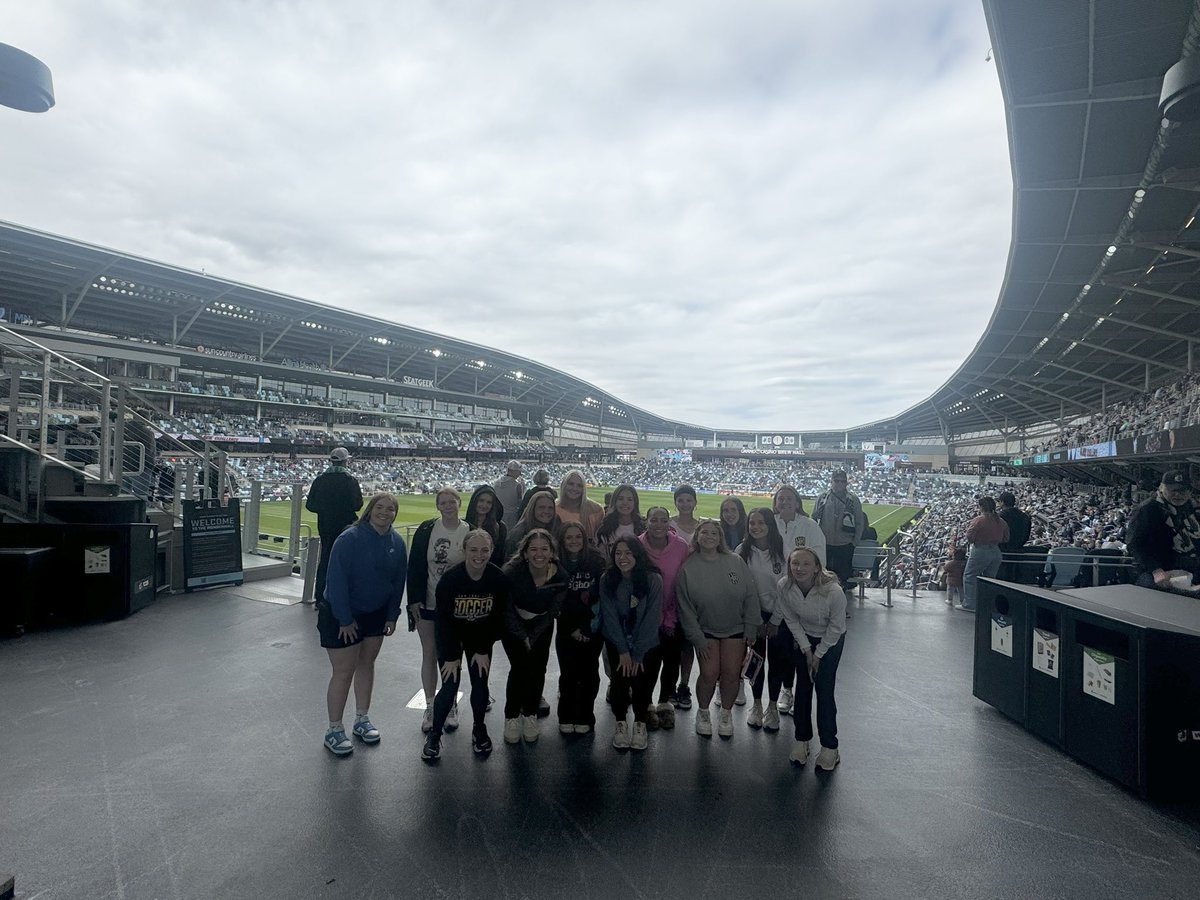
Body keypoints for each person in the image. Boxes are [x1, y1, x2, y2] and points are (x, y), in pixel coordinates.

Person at [319, 492, 407, 756]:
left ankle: (362, 719)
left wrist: (392, 615)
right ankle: (334, 729)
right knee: (344, 672)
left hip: (376, 614)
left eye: (390, 509)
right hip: (341, 614)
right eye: (380, 507)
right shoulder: (349, 539)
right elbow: (335, 582)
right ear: (369, 510)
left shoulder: (397, 542)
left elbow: (398, 581)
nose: (384, 512)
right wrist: (345, 620)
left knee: (367, 664)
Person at [422, 530, 510, 760]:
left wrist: (482, 648)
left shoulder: (498, 579)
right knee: (450, 684)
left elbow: (499, 619)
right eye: (473, 550)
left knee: (480, 682)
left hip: (481, 636)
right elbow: (443, 622)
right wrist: (451, 655)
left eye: (484, 550)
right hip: (452, 635)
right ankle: (434, 733)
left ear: (491, 551)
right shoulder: (450, 580)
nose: (479, 555)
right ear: (464, 551)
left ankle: (479, 727)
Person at [676, 520, 760, 738]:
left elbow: (750, 595)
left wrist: (751, 626)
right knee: (709, 674)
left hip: (735, 628)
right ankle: (703, 712)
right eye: (705, 532)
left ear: (720, 537)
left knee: (732, 675)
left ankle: (726, 713)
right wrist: (697, 638)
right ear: (697, 536)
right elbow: (685, 607)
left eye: (714, 532)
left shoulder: (735, 561)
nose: (709, 536)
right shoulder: (688, 567)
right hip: (706, 631)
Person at [772, 546, 846, 771]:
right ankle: (802, 740)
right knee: (803, 689)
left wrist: (818, 655)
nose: (799, 568)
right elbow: (791, 619)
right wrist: (806, 650)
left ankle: (829, 747)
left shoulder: (833, 592)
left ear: (816, 568)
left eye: (806, 564)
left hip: (830, 640)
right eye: (795, 563)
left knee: (823, 691)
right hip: (804, 637)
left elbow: (836, 627)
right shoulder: (784, 585)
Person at [406, 488, 473, 732]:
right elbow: (415, 564)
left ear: (459, 503)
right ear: (438, 506)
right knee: (429, 653)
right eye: (443, 502)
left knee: (452, 656)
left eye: (451, 501)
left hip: (457, 607)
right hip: (428, 602)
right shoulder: (427, 529)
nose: (447, 506)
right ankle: (431, 705)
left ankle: (450, 703)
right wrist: (414, 599)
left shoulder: (469, 530)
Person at [501, 529, 566, 744]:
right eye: (534, 549)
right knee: (520, 668)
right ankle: (511, 716)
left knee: (538, 668)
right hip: (513, 625)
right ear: (525, 553)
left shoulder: (560, 576)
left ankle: (529, 714)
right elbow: (506, 609)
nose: (539, 554)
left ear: (552, 553)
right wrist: (522, 635)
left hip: (541, 625)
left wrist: (534, 634)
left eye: (544, 549)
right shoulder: (511, 573)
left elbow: (552, 612)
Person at [599, 537, 663, 751]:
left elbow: (652, 618)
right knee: (619, 682)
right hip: (618, 644)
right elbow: (609, 616)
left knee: (642, 685)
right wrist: (623, 650)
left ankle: (639, 724)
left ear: (638, 555)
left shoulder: (653, 579)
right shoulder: (607, 579)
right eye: (618, 553)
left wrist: (638, 653)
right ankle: (620, 724)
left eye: (628, 553)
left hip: (647, 645)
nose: (623, 558)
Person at [736, 508, 789, 731]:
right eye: (751, 523)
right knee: (756, 662)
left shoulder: (784, 550)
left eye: (760, 522)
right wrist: (755, 619)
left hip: (781, 615)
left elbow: (787, 589)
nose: (755, 527)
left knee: (777, 661)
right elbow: (741, 588)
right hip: (753, 616)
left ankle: (773, 707)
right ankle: (756, 705)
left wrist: (775, 620)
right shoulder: (742, 550)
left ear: (770, 524)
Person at [639, 506, 690, 729]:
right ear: (646, 522)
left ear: (669, 523)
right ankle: (647, 705)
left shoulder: (681, 546)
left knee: (671, 662)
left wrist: (672, 615)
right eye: (653, 520)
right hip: (646, 617)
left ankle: (664, 704)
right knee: (648, 663)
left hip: (674, 615)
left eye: (663, 520)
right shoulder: (637, 545)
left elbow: (685, 580)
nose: (658, 524)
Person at [555, 521, 607, 734]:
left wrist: (586, 628)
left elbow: (600, 598)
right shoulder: (556, 564)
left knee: (588, 672)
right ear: (562, 541)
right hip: (566, 628)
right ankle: (566, 715)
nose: (574, 541)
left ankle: (586, 714)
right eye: (569, 537)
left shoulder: (596, 561)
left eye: (578, 537)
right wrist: (572, 629)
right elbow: (558, 601)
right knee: (568, 672)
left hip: (592, 628)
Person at [305, 447, 363, 605]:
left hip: (325, 526)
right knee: (347, 562)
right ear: (345, 461)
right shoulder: (350, 480)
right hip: (346, 527)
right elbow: (358, 505)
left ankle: (320, 598)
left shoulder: (320, 480)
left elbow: (310, 505)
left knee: (325, 561)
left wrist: (325, 509)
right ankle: (344, 598)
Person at [1127, 471, 1200, 591]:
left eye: (1182, 491)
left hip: (1189, 567)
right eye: (1173, 490)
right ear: (1162, 488)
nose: (1178, 495)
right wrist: (1156, 570)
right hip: (1155, 571)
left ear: (1190, 492)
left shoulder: (1189, 507)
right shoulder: (1147, 510)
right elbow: (1134, 544)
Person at [812, 470, 865, 605]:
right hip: (826, 543)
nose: (840, 484)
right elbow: (813, 518)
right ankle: (824, 604)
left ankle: (841, 606)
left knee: (843, 577)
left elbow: (860, 522)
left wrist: (854, 542)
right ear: (831, 482)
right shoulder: (822, 498)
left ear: (846, 483)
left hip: (845, 544)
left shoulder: (853, 500)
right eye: (837, 481)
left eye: (843, 481)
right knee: (824, 575)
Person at [960, 496, 1009, 612]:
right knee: (989, 579)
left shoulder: (979, 520)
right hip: (996, 552)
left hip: (980, 550)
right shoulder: (1001, 521)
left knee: (970, 576)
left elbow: (970, 537)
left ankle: (970, 604)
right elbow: (1006, 538)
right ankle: (987, 604)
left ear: (981, 507)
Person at [505, 488, 563, 558]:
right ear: (532, 509)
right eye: (541, 507)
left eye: (550, 508)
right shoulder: (518, 534)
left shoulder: (557, 527)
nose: (546, 511)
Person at [464, 484, 508, 569]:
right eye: (481, 500)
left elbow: (500, 556)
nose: (484, 505)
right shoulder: (464, 525)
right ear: (475, 501)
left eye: (489, 502)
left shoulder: (500, 528)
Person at [555, 470, 605, 544]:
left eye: (579, 486)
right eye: (571, 484)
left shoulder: (596, 510)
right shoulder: (553, 508)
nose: (574, 488)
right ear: (563, 485)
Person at [595, 484, 646, 555]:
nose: (625, 503)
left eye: (630, 499)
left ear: (635, 503)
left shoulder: (643, 527)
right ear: (614, 501)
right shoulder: (604, 528)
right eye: (620, 499)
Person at [997, 492, 1032, 582]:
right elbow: (1026, 536)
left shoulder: (1000, 516)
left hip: (1001, 553)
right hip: (1018, 552)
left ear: (1002, 502)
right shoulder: (1025, 516)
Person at [491, 460, 524, 530]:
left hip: (498, 516)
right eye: (518, 472)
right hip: (512, 517)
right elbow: (520, 504)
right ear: (512, 471)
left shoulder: (496, 483)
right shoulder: (517, 485)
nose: (519, 474)